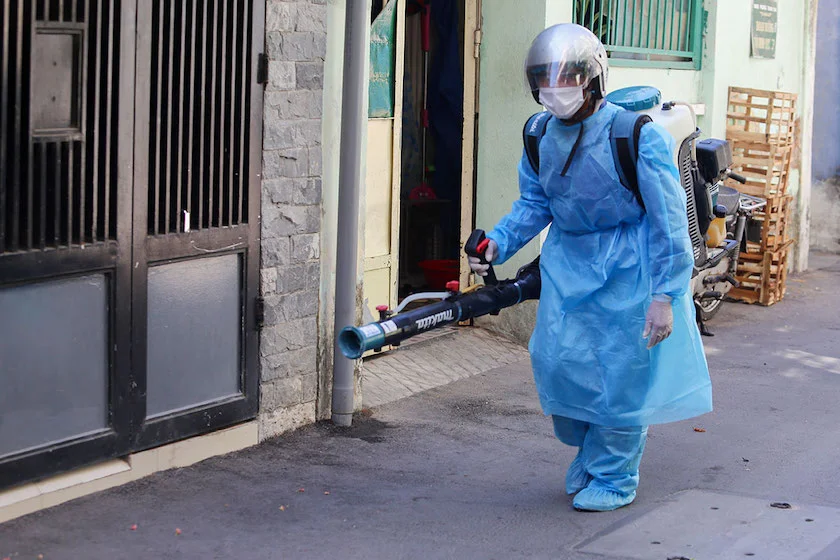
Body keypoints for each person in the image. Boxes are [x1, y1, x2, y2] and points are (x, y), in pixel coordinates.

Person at [468, 23, 712, 512]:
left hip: (629, 269)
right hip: (568, 266)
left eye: (565, 77)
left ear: (593, 78)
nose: (554, 89)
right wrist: (499, 242)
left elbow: (668, 219)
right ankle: (589, 451)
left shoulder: (634, 135)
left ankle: (615, 475)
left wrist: (666, 294)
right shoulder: (540, 135)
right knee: (559, 365)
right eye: (543, 78)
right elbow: (535, 203)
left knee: (619, 379)